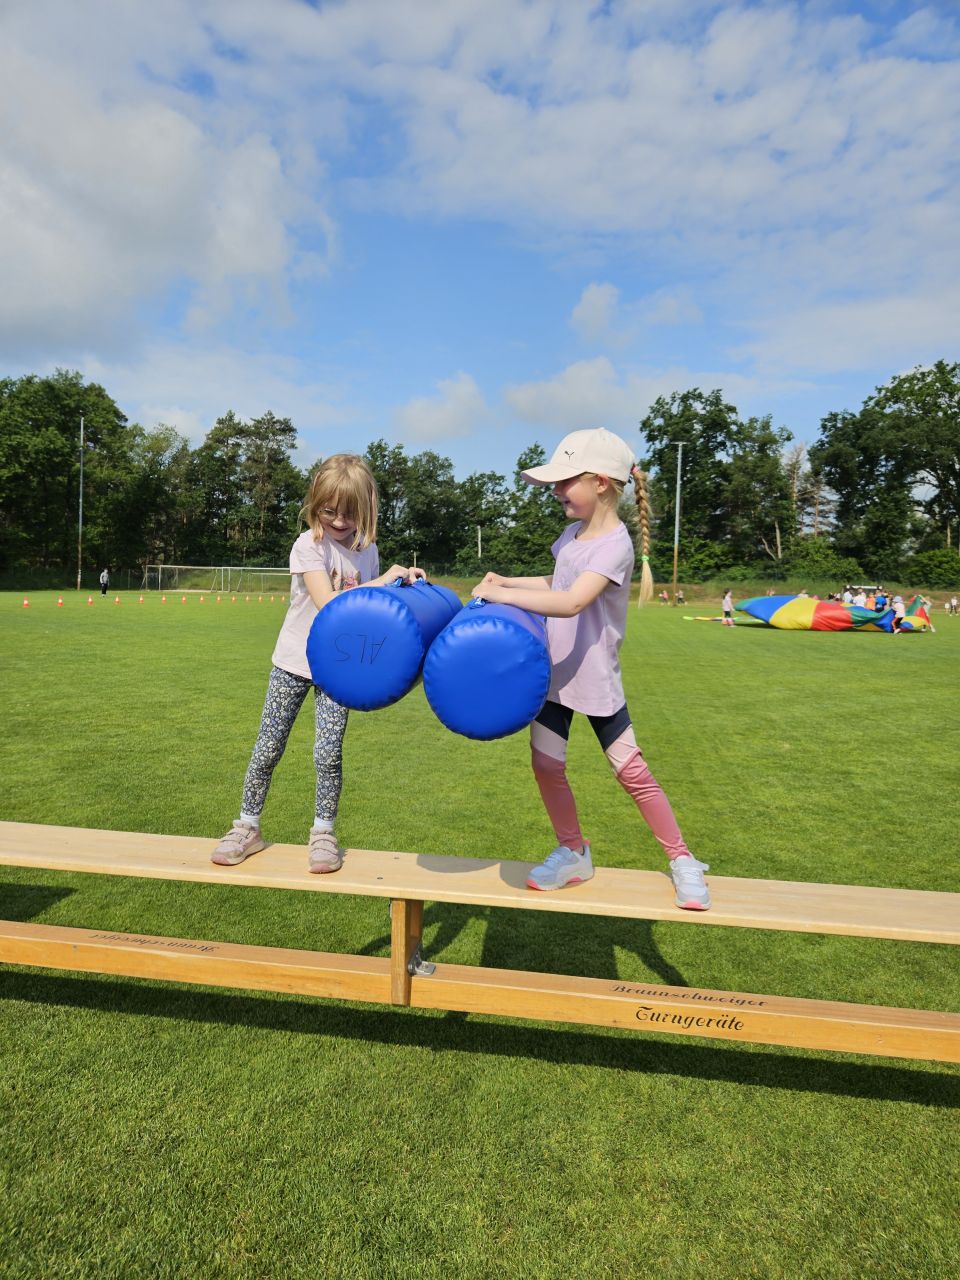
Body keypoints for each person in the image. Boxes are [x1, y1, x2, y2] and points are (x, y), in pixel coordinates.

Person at [471, 427, 710, 910]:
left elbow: (573, 601)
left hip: (595, 679)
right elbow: (558, 580)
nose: (556, 491)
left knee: (631, 772)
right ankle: (573, 851)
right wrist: (507, 580)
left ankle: (682, 859)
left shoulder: (614, 545)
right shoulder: (572, 535)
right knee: (546, 765)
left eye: (565, 481)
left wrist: (500, 595)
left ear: (600, 482)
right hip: (555, 676)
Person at [211, 454, 421, 872]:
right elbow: (328, 603)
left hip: (338, 669)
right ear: (314, 504)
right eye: (329, 511)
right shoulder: (308, 546)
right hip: (292, 662)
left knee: (328, 754)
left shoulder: (368, 551)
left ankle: (323, 833)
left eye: (350, 512)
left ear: (367, 509)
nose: (339, 521)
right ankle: (247, 827)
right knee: (268, 747)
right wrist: (382, 582)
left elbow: (370, 611)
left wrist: (402, 585)